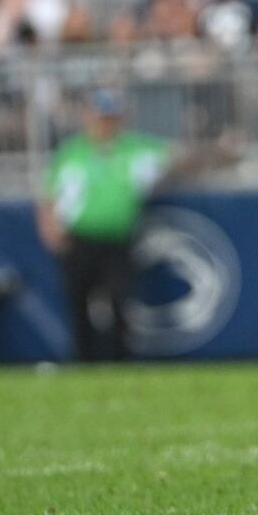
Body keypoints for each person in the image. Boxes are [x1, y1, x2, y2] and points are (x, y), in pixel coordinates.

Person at [37, 88, 172, 362]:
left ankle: (119, 360)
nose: (105, 124)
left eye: (109, 118)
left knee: (120, 301)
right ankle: (82, 360)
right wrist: (49, 227)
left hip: (117, 239)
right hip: (80, 239)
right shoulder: (72, 151)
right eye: (100, 117)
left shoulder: (134, 147)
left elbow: (175, 157)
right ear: (88, 117)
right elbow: (48, 194)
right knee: (78, 301)